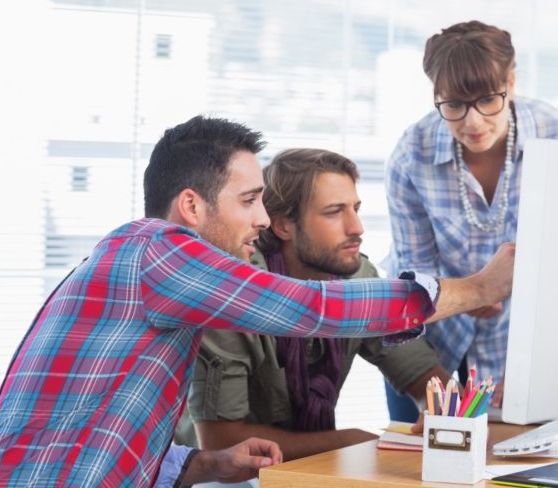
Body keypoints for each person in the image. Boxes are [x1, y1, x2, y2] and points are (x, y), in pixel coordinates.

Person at [0, 116, 515, 487]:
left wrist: (204, 463)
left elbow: (106, 432)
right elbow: (311, 309)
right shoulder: (158, 251)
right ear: (191, 205)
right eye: (249, 201)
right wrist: (480, 289)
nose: (261, 219)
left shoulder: (151, 272)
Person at [180, 148, 450, 460]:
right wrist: (352, 441)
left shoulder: (358, 276)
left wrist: (443, 415)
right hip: (221, 478)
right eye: (334, 212)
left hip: (309, 469)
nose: (356, 228)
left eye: (356, 209)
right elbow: (220, 441)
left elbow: (422, 374)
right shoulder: (234, 293)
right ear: (282, 227)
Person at [384, 20, 558, 422]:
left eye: (488, 100)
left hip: (519, 340)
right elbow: (414, 275)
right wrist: (473, 294)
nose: (472, 123)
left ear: (511, 82)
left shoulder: (557, 135)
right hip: (431, 338)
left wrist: (535, 365)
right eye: (453, 105)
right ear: (435, 94)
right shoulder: (412, 154)